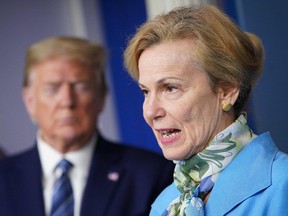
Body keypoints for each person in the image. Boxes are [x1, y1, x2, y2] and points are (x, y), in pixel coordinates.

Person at [124, 5, 288, 216]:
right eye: (146, 91)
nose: (150, 112)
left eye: (170, 88)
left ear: (227, 90)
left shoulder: (283, 185)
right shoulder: (164, 204)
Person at [0, 36, 174, 216]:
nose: (67, 101)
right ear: (29, 100)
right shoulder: (3, 178)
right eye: (52, 89)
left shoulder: (150, 175)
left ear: (101, 97)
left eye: (81, 87)